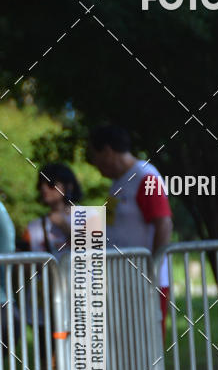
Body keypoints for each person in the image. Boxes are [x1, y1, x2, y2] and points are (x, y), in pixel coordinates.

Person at [88, 125, 173, 335]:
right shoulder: (117, 182)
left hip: (145, 281)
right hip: (123, 280)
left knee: (147, 342)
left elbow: (163, 223)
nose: (95, 164)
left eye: (95, 156)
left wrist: (152, 268)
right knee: (125, 343)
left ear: (107, 151)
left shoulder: (145, 177)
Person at [24, 163, 82, 255]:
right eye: (40, 184)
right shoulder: (34, 226)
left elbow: (95, 252)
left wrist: (65, 227)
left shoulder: (89, 215)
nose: (44, 188)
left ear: (68, 186)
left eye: (51, 183)